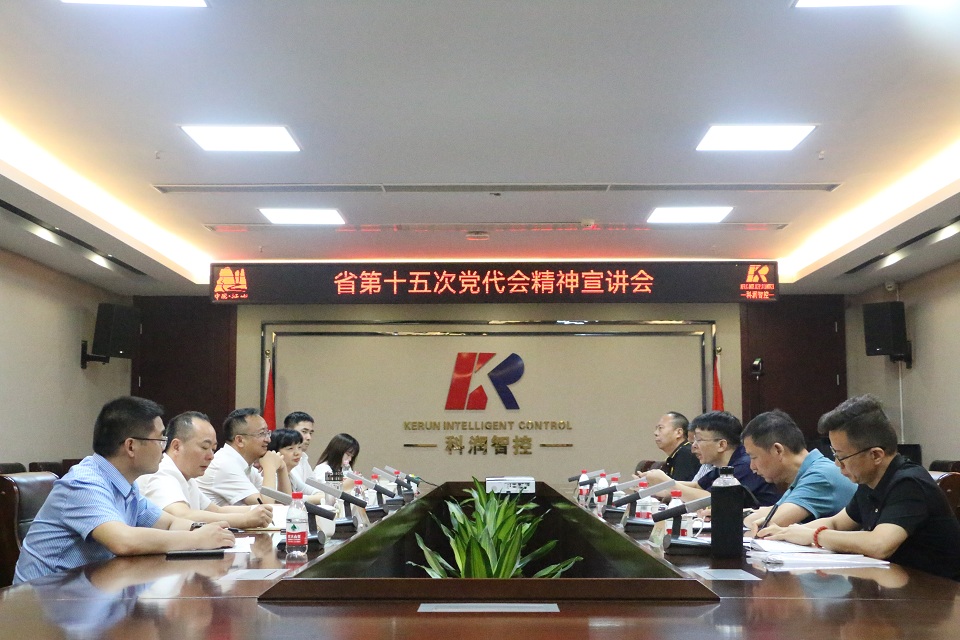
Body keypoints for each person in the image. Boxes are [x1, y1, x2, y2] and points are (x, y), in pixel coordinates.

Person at [14, 397, 234, 584]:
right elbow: (123, 540)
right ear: (131, 446)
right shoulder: (83, 483)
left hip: (85, 593)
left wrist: (205, 530)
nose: (164, 447)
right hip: (43, 601)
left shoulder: (127, 485)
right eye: (160, 439)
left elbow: (169, 523)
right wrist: (197, 540)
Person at [760, 395, 960, 580]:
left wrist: (815, 535)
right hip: (896, 587)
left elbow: (879, 545)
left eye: (842, 456)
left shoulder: (909, 483)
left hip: (935, 593)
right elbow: (836, 523)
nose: (837, 464)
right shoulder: (869, 482)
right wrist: (783, 534)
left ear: (876, 455)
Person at [139, 411, 274, 529]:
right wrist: (245, 520)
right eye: (204, 447)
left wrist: (260, 511)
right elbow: (182, 515)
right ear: (176, 446)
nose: (211, 456)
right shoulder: (161, 472)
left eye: (213, 449)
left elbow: (217, 511)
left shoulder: (187, 477)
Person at [740, 409, 856, 535]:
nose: (752, 467)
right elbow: (770, 511)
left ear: (778, 450)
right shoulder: (803, 475)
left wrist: (739, 515)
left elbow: (771, 522)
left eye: (753, 457)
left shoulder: (821, 475)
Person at [638, 410, 781, 507]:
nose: (693, 446)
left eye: (699, 440)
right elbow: (698, 486)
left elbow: (712, 499)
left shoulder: (745, 464)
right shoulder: (722, 466)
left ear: (721, 445)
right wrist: (657, 486)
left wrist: (668, 484)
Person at [196, 408, 291, 506]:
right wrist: (270, 467)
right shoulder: (224, 464)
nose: (268, 439)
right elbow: (266, 506)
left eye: (267, 433)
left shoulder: (246, 466)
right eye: (262, 433)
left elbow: (285, 503)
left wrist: (282, 468)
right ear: (240, 440)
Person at [636, 412, 699, 481]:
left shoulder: (687, 454)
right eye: (656, 428)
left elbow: (678, 487)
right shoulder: (677, 455)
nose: (655, 433)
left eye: (660, 428)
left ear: (679, 432)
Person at [283, 411, 320, 497]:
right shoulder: (285, 458)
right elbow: (292, 496)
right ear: (289, 431)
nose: (309, 437)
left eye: (311, 433)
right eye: (304, 432)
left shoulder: (303, 457)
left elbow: (313, 487)